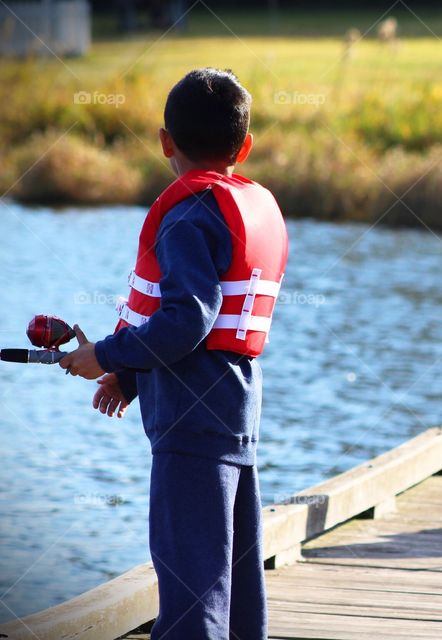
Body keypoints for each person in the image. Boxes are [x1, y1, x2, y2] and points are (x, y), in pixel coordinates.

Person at [60, 68, 288, 639]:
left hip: (189, 426)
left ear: (166, 141)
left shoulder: (187, 214)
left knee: (191, 593)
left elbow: (189, 317)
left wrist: (107, 355)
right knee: (232, 585)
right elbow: (207, 325)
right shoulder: (239, 204)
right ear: (246, 145)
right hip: (234, 413)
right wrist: (130, 378)